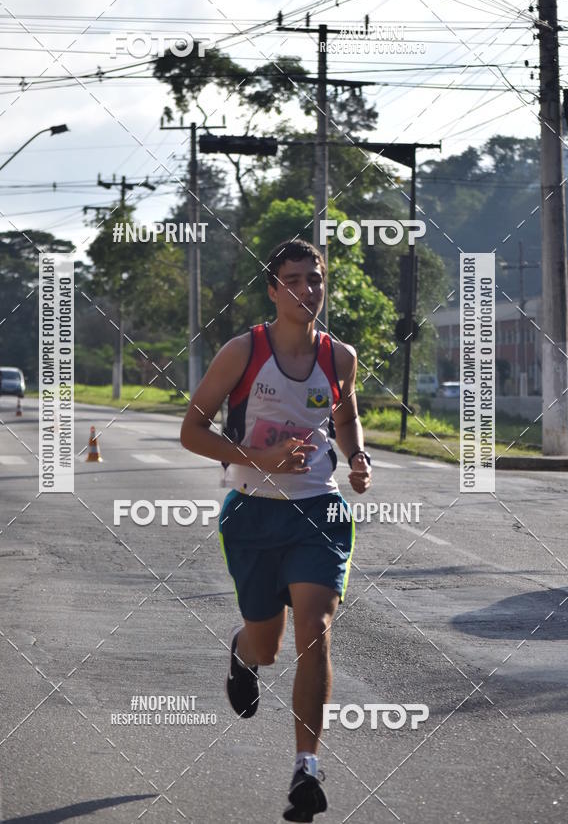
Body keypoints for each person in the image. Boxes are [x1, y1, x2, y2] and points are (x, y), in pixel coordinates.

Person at [180, 239, 372, 822]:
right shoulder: (243, 352)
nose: (306, 290)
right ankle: (242, 651)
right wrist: (258, 459)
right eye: (293, 280)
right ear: (273, 290)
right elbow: (191, 431)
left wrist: (358, 457)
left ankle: (305, 770)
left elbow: (346, 416)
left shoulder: (340, 357)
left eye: (315, 279)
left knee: (315, 630)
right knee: (268, 645)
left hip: (320, 511)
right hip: (252, 513)